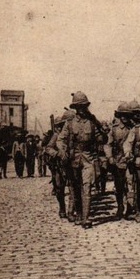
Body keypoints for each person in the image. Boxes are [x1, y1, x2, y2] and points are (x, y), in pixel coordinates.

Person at [57, 91, 108, 228]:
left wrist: (102, 131)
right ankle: (78, 213)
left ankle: (86, 218)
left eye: (84, 106)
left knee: (86, 187)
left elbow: (101, 140)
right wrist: (62, 151)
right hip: (73, 158)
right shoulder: (69, 123)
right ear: (75, 108)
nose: (82, 109)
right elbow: (60, 139)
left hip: (88, 158)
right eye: (79, 107)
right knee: (75, 187)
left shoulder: (92, 123)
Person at [104, 102, 134, 219]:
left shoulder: (133, 129)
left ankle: (130, 208)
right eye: (123, 115)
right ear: (119, 116)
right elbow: (108, 144)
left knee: (131, 184)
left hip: (130, 161)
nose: (125, 117)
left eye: (127, 115)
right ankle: (120, 206)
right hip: (118, 161)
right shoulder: (114, 130)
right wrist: (110, 157)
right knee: (119, 186)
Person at [46, 110, 74, 218]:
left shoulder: (75, 133)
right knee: (59, 188)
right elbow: (48, 148)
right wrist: (57, 154)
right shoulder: (57, 135)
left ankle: (71, 211)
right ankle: (62, 207)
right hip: (60, 166)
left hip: (72, 164)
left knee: (72, 187)